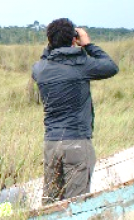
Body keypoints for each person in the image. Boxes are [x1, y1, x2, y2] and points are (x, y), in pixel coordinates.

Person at [32, 19, 118, 203]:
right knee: (76, 203)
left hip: (51, 143)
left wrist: (53, 46)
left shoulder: (40, 69)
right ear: (74, 39)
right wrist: (87, 45)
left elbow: (44, 59)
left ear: (49, 41)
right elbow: (111, 67)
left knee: (50, 201)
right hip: (77, 142)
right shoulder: (81, 64)